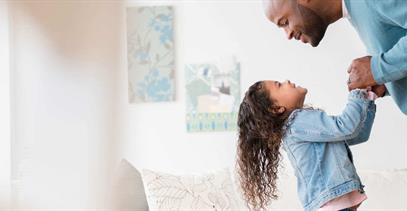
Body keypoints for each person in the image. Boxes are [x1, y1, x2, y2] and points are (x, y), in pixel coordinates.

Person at [237, 80, 380, 211]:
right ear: (276, 108)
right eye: (279, 85)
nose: (286, 81)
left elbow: (357, 134)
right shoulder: (297, 121)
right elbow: (346, 127)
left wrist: (368, 98)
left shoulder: (300, 127)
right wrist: (357, 92)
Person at [262, 0, 406, 115]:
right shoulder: (355, 12)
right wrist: (385, 84)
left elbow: (380, 67)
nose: (288, 35)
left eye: (285, 22)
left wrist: (377, 69)